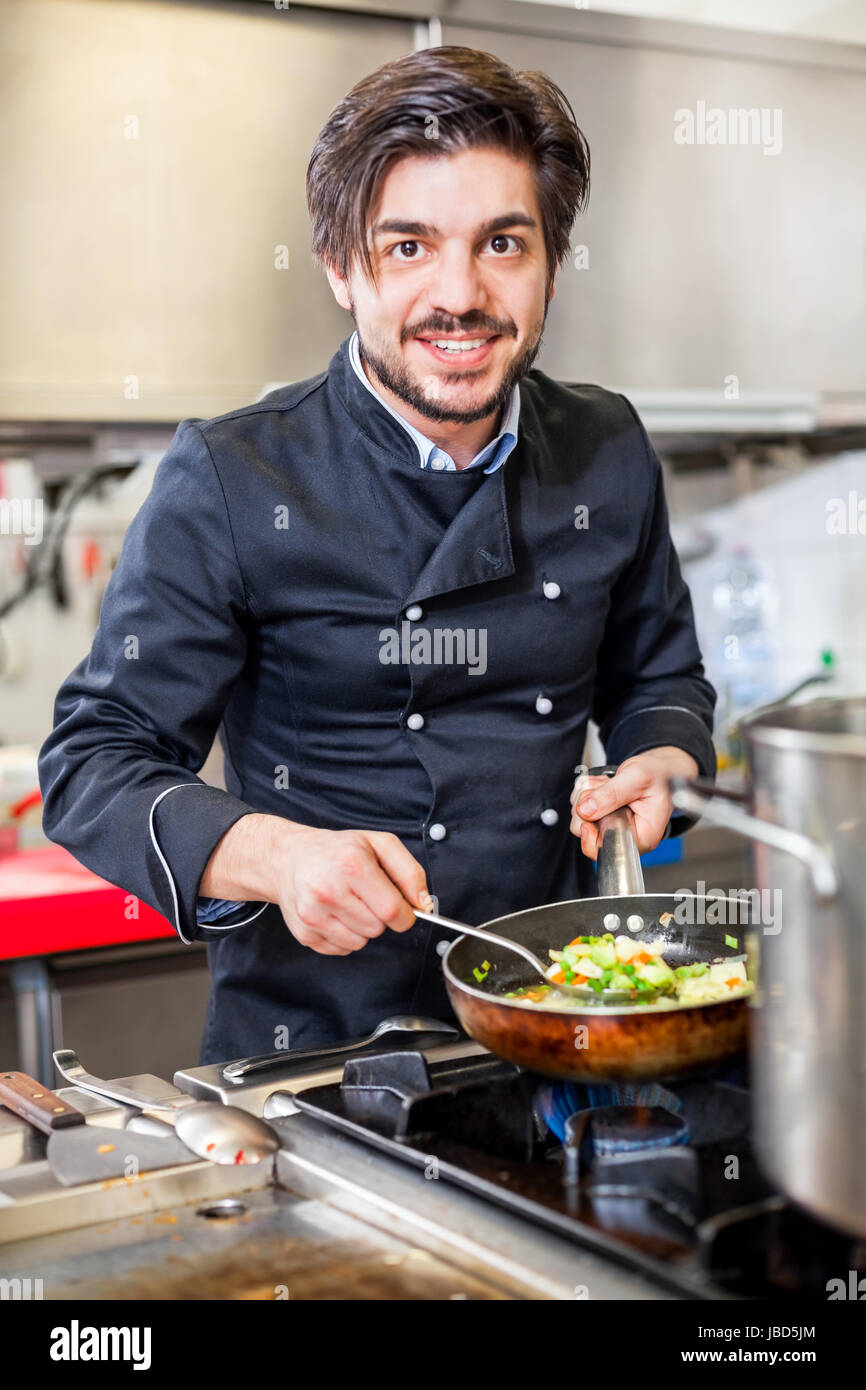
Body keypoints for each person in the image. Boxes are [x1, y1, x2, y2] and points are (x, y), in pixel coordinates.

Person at [38, 46, 716, 1065]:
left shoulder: (604, 448)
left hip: (556, 1023)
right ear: (339, 267)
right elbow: (92, 763)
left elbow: (657, 680)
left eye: (502, 243)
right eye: (407, 247)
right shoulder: (234, 476)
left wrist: (656, 763)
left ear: (549, 258)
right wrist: (270, 855)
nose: (460, 294)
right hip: (313, 1060)